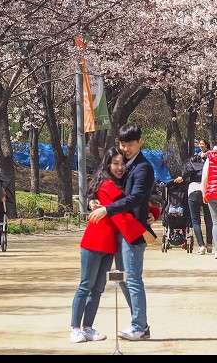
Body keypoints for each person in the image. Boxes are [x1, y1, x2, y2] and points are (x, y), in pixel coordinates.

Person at [69, 146, 148, 344]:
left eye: (122, 163)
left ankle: (88, 327)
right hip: (94, 242)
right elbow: (124, 210)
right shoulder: (107, 186)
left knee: (98, 289)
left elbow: (128, 204)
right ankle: (75, 328)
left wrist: (152, 211)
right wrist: (148, 223)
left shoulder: (120, 185)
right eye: (115, 163)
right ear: (108, 164)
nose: (120, 167)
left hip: (110, 246)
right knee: (85, 286)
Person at [87, 123, 155, 341]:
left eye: (130, 145)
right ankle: (139, 323)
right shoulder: (123, 165)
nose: (126, 149)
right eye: (123, 144)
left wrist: (107, 210)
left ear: (140, 143)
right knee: (125, 279)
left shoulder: (143, 168)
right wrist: (92, 201)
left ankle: (140, 325)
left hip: (133, 231)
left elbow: (135, 198)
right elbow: (104, 186)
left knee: (133, 279)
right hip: (120, 229)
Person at [173, 141, 210, 255]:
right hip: (206, 192)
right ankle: (209, 244)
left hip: (194, 191)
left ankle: (201, 246)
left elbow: (187, 172)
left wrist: (182, 178)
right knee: (208, 219)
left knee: (195, 220)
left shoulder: (190, 164)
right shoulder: (207, 165)